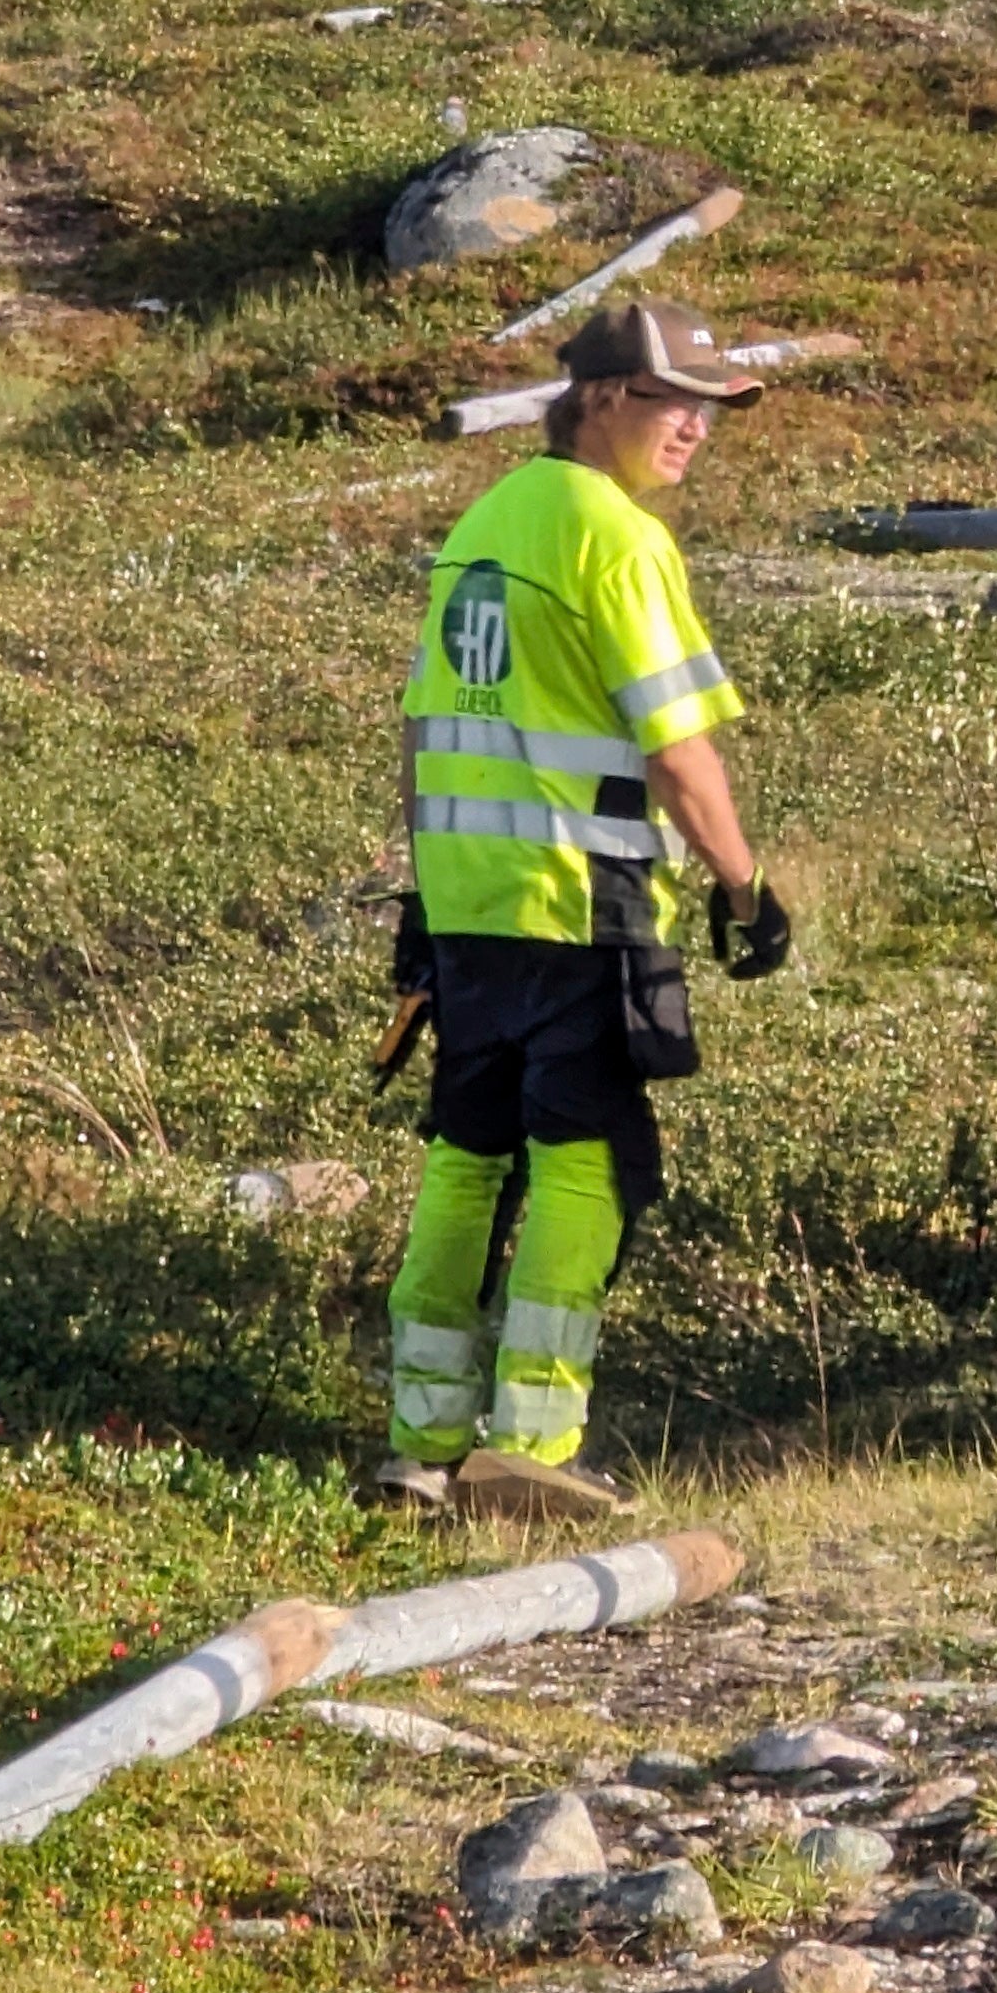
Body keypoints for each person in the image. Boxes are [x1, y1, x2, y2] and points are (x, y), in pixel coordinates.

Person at [375, 301, 792, 1525]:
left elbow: (422, 731)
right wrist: (743, 885)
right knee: (587, 1159)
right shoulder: (616, 538)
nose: (696, 430)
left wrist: (424, 890)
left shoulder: (481, 525)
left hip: (467, 906)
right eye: (674, 403)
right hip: (579, 900)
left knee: (465, 1156)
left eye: (710, 410)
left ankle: (420, 1440)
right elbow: (679, 747)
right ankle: (535, 1444)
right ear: (602, 396)